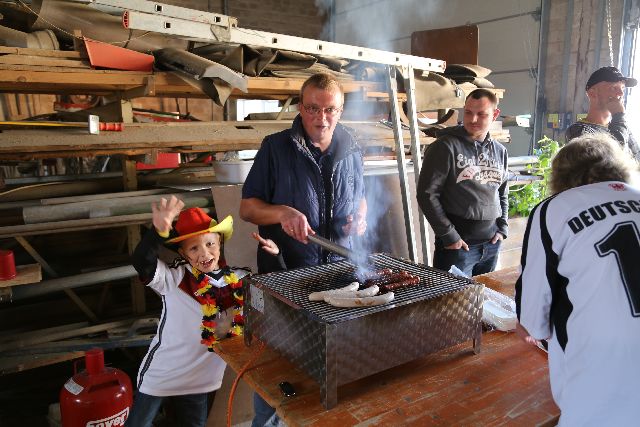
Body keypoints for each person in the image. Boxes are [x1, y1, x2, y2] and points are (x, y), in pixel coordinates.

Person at [240, 72, 367, 426]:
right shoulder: (276, 147)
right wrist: (281, 212)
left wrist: (359, 218)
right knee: (278, 371)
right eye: (312, 108)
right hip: (287, 277)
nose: (321, 118)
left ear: (340, 110)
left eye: (330, 110)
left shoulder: (352, 147)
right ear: (300, 107)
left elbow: (362, 199)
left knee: (328, 367)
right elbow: (247, 208)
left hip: (339, 278)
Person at [515, 133, 640, 426]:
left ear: (561, 174)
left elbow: (533, 321)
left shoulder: (553, 208)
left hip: (603, 380)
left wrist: (528, 324)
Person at [126, 196, 251, 427]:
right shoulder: (173, 278)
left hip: (202, 377)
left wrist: (275, 256)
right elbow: (141, 261)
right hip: (164, 372)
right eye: (194, 248)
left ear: (220, 243)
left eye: (210, 244)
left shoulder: (239, 279)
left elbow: (271, 290)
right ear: (183, 255)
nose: (204, 254)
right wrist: (157, 233)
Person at [416, 88, 508, 277]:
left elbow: (502, 192)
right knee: (450, 303)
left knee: (481, 300)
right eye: (468, 112)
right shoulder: (444, 147)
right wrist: (449, 236)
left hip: (491, 244)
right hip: (458, 247)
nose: (472, 119)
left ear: (495, 114)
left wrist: (502, 228)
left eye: (481, 114)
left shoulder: (500, 151)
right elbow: (427, 195)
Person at [565, 66, 640, 161]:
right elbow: (609, 160)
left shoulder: (623, 128)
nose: (621, 93)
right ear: (592, 94)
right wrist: (619, 116)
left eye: (622, 88)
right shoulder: (577, 131)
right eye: (613, 88)